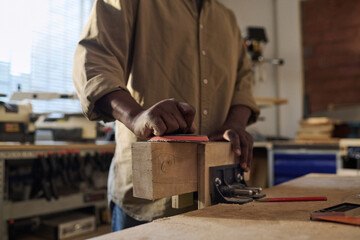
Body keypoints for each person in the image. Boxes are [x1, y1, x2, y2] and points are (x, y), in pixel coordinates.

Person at [73, 0, 260, 231]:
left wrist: (234, 125)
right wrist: (135, 116)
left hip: (215, 197)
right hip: (145, 201)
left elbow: (243, 85)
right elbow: (95, 63)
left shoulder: (228, 20)